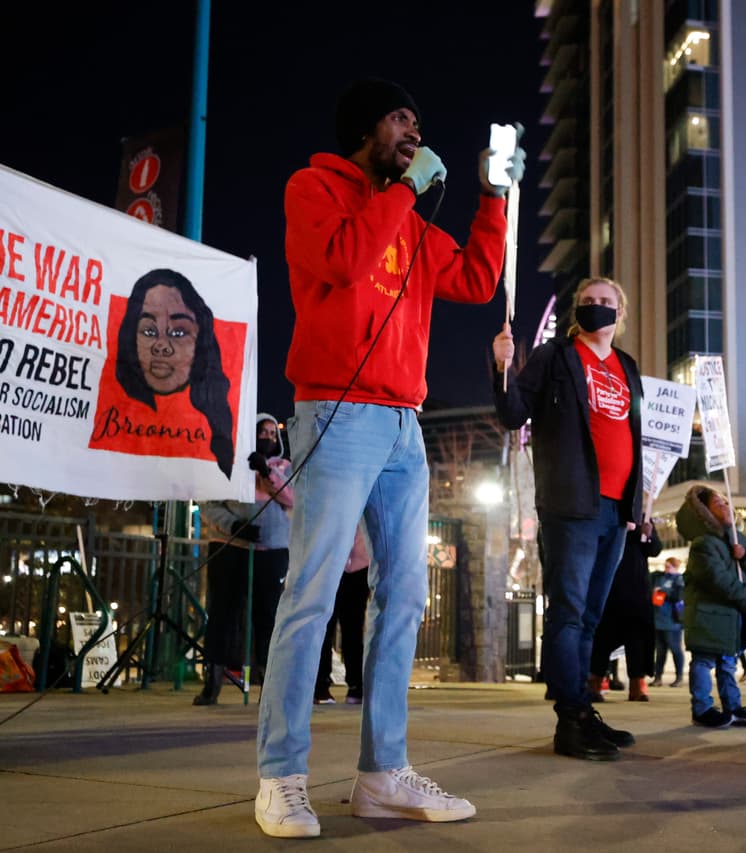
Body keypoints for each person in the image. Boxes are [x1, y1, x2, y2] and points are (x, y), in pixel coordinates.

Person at [254, 78, 521, 839]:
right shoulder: (316, 188)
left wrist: (489, 196)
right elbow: (341, 259)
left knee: (404, 596)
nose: (414, 131)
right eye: (401, 118)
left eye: (417, 122)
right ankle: (281, 775)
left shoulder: (404, 214)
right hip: (336, 410)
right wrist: (404, 189)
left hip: (404, 421)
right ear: (366, 127)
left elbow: (473, 277)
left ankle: (381, 773)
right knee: (310, 592)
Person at [492, 276, 643, 762]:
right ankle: (569, 719)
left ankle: (582, 709)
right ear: (578, 310)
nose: (597, 308)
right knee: (569, 611)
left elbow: (635, 438)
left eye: (606, 302)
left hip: (616, 509)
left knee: (592, 615)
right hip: (570, 503)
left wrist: (635, 508)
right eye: (588, 301)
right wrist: (501, 366)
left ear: (621, 313)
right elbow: (514, 413)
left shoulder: (627, 366)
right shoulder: (555, 357)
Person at [94, 268, 235, 478]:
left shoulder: (216, 428)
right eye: (149, 331)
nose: (161, 346)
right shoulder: (108, 407)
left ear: (201, 341)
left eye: (178, 332)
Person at [196, 413, 293, 704]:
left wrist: (267, 473)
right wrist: (233, 526)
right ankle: (212, 680)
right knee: (222, 614)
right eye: (261, 432)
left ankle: (268, 682)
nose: (267, 437)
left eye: (272, 433)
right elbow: (208, 504)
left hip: (272, 550)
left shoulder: (284, 467)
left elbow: (292, 498)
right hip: (229, 547)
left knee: (268, 616)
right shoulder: (228, 463)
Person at [675, 486, 746, 728]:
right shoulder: (703, 544)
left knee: (728, 662)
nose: (725, 505)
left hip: (730, 616)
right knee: (704, 661)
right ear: (705, 511)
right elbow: (717, 580)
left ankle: (732, 706)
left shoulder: (737, 539)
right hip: (708, 614)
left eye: (726, 501)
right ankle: (702, 708)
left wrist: (745, 555)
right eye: (718, 502)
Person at [588, 519, 661, 702]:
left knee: (636, 639)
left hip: (637, 588)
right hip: (610, 586)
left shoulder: (644, 518)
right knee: (603, 637)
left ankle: (637, 683)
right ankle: (595, 680)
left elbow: (654, 549)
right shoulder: (609, 513)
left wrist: (647, 533)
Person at [314, 527, 371, 705]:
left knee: (353, 628)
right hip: (331, 563)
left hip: (359, 566)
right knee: (325, 627)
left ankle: (356, 685)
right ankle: (321, 686)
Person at [650, 556, 686, 687]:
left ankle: (679, 676)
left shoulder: (679, 580)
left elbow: (679, 597)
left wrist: (664, 591)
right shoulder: (660, 578)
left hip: (673, 622)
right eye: (665, 567)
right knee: (660, 651)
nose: (666, 569)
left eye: (669, 567)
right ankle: (658, 677)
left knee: (675, 649)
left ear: (675, 567)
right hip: (659, 618)